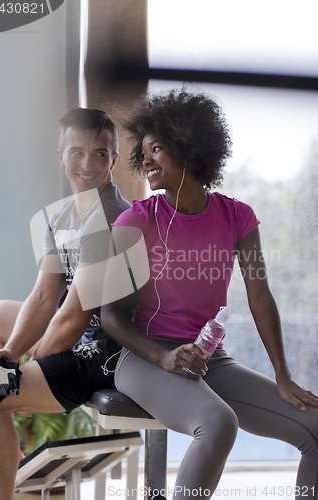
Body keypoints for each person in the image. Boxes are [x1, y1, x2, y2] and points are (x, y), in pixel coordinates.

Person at [101, 90, 318, 500]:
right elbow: (110, 316)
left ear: (190, 148)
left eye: (157, 149)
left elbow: (261, 296)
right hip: (145, 358)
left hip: (205, 359)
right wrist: (163, 356)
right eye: (142, 152)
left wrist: (282, 375)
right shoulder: (137, 220)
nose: (145, 161)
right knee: (218, 422)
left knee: (316, 427)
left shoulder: (238, 216)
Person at [0, 108, 131, 500]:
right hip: (77, 333)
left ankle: (0, 469)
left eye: (100, 154)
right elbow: (45, 295)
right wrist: (10, 356)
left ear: (113, 160)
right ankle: (3, 454)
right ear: (61, 155)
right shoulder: (63, 215)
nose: (87, 164)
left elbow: (71, 319)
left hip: (105, 352)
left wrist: (18, 381)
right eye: (77, 152)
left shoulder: (111, 218)